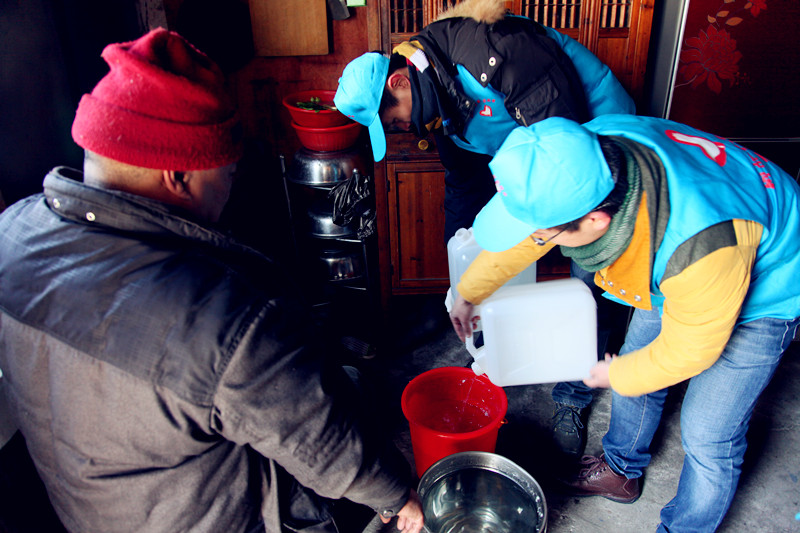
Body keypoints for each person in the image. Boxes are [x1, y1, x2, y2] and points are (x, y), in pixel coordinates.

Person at [0, 28, 423, 533]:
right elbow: (320, 440)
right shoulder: (222, 317)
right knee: (349, 403)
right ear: (179, 175)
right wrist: (397, 497)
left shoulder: (12, 231)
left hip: (85, 515)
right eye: (227, 171)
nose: (229, 185)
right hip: (213, 520)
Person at [449, 115, 800, 532]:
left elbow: (690, 349)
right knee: (638, 366)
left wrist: (618, 374)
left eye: (544, 236)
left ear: (596, 221)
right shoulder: (584, 156)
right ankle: (621, 471)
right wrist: (469, 291)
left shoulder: (695, 249)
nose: (538, 239)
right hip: (684, 251)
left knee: (708, 433)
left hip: (769, 281)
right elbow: (533, 232)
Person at [334, 0, 635, 459]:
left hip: (595, 142)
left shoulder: (495, 55)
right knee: (486, 244)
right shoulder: (432, 97)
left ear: (399, 82)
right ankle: (493, 347)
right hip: (537, 149)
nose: (401, 128)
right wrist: (463, 281)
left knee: (589, 274)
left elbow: (559, 164)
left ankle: (574, 396)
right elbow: (463, 186)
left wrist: (518, 241)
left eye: (393, 119)